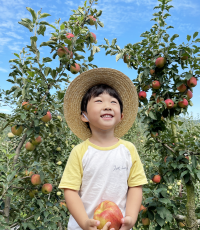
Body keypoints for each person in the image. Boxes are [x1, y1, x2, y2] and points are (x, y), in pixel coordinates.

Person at [58, 68, 148, 230]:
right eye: (99, 101)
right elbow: (70, 191)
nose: (107, 106)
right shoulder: (80, 152)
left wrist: (131, 218)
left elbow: (135, 186)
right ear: (84, 116)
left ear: (121, 116)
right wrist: (85, 223)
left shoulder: (128, 150)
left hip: (117, 226)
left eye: (113, 102)